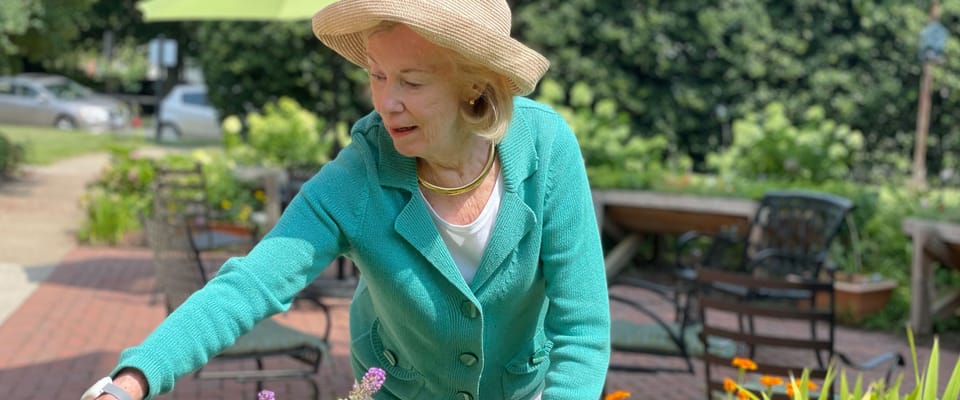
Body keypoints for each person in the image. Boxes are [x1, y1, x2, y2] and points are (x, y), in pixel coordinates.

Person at [81, 0, 610, 399]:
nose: (387, 102)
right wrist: (131, 381)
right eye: (377, 75)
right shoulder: (359, 174)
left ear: (474, 85)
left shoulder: (547, 148)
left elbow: (581, 328)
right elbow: (251, 284)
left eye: (411, 82)